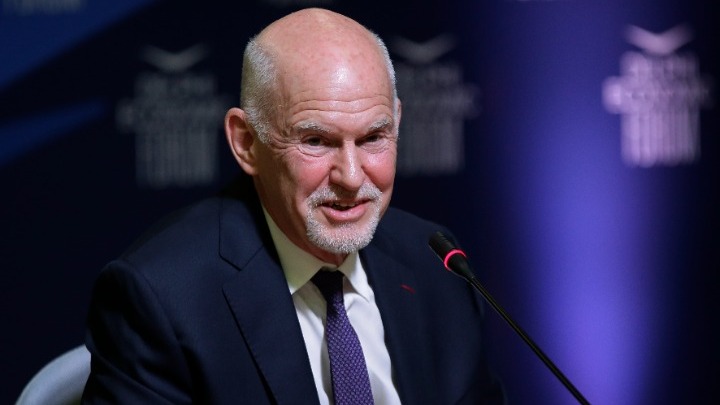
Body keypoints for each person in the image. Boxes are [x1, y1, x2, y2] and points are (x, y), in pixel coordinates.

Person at [82, 8, 504, 404]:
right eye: (316, 141)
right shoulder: (161, 298)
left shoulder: (437, 266)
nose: (351, 176)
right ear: (246, 142)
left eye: (373, 137)